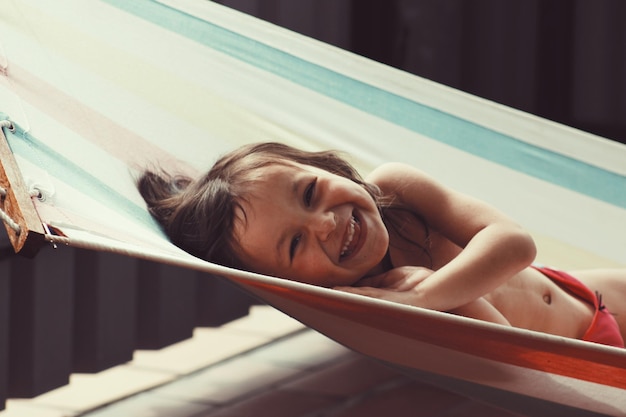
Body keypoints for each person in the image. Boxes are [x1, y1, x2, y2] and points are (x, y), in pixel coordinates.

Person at [138, 142, 626, 348]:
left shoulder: (395, 189)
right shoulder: (388, 295)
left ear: (325, 166)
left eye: (310, 192)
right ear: (292, 285)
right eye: (294, 244)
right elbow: (520, 359)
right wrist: (418, 296)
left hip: (577, 288)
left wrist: (423, 296)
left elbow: (514, 244)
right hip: (587, 351)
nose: (326, 224)